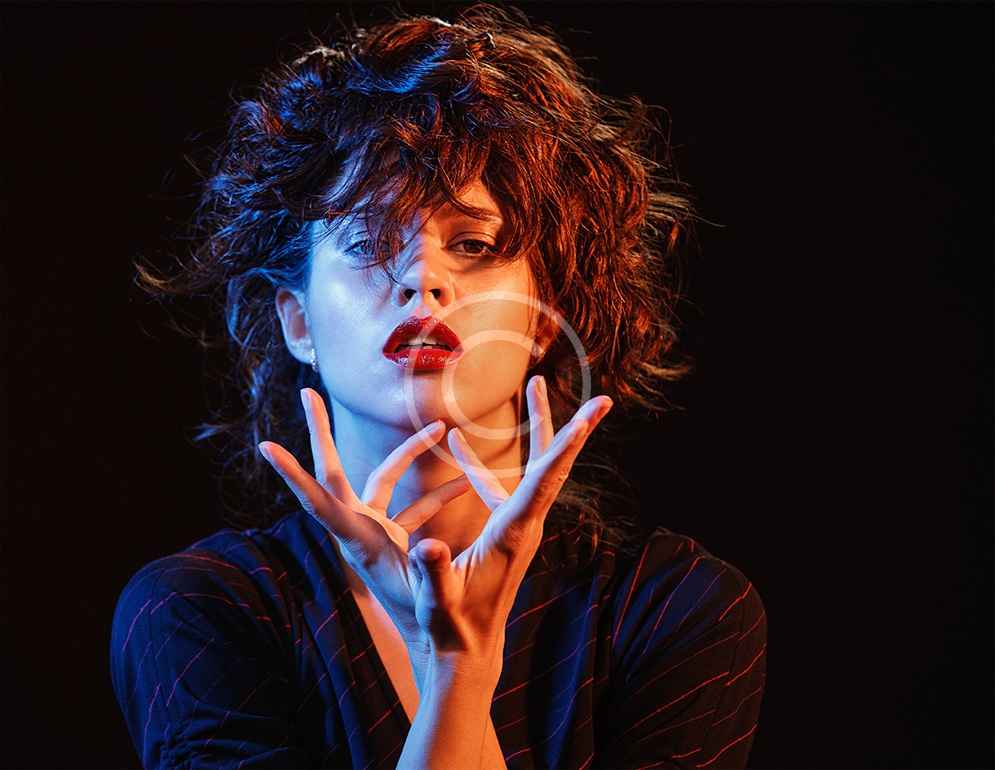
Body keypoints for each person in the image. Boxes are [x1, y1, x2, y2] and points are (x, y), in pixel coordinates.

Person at [110, 3, 768, 768]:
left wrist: (455, 663)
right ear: (297, 321)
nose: (422, 279)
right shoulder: (199, 612)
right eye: (368, 242)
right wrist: (451, 665)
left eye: (473, 244)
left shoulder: (673, 610)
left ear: (544, 320)